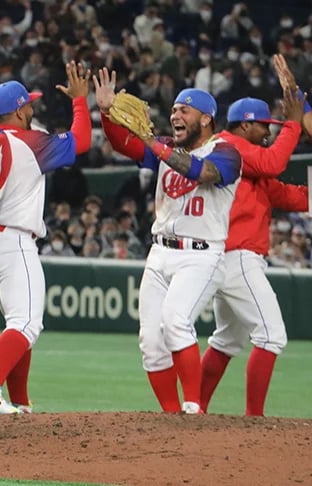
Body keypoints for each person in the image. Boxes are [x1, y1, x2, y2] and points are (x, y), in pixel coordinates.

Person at [0, 63, 92, 415]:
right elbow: (83, 141)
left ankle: (21, 403)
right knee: (27, 324)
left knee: (18, 322)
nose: (32, 108)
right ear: (17, 110)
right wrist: (80, 102)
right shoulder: (30, 142)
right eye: (28, 104)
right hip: (14, 242)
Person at [97, 70, 242, 414]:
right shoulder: (163, 147)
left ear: (206, 118)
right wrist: (105, 113)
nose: (176, 115)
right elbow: (122, 143)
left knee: (176, 321)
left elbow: (201, 173)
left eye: (185, 110)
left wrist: (153, 142)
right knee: (150, 341)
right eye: (174, 109)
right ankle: (171, 418)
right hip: (160, 251)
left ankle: (194, 410)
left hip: (202, 254)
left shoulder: (227, 152)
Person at [201, 79, 309, 416]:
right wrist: (294, 123)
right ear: (245, 124)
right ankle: (254, 418)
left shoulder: (249, 165)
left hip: (231, 256)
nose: (268, 132)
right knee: (271, 335)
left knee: (227, 340)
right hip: (238, 257)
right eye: (264, 126)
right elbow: (274, 162)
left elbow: (285, 194)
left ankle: (195, 410)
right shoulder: (229, 146)